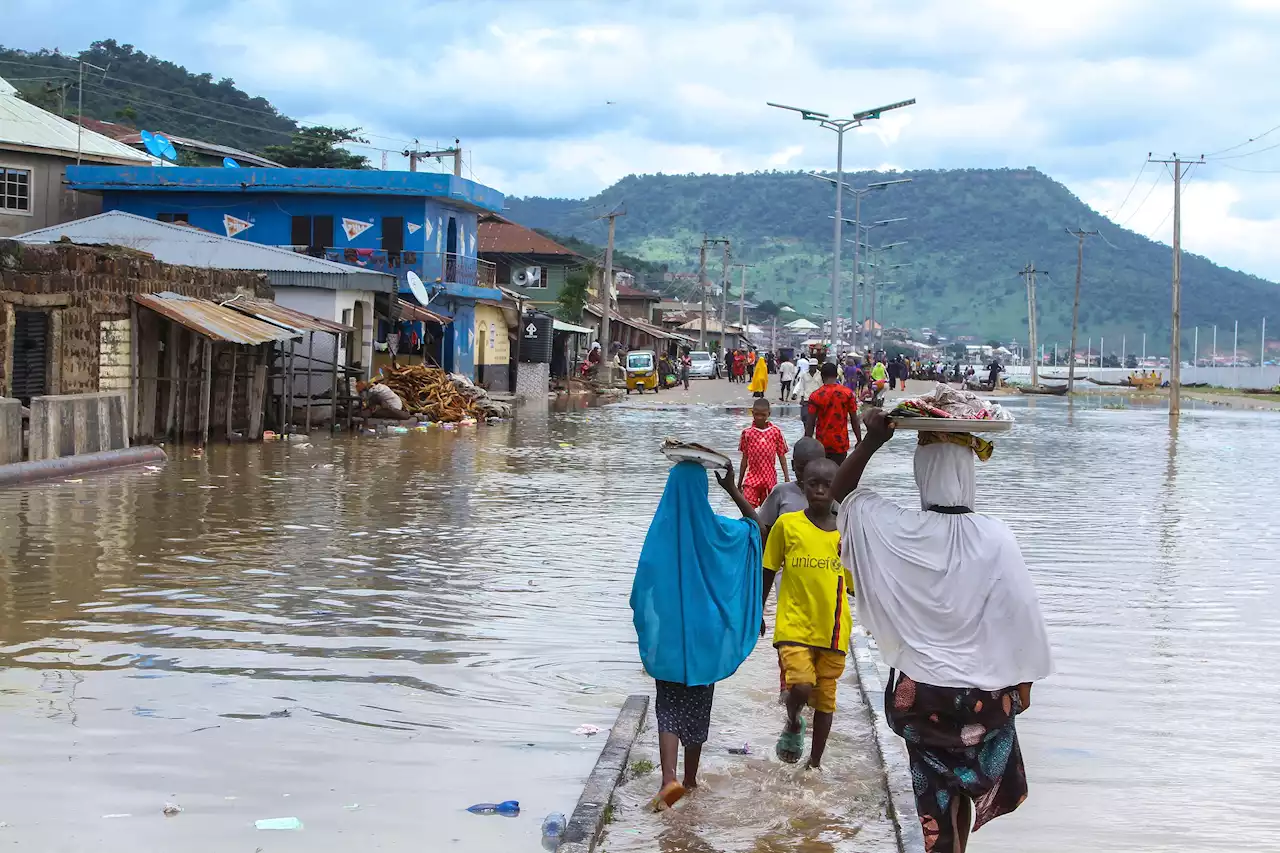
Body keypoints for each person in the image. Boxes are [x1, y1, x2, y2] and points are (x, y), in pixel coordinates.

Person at [832, 411, 1053, 853]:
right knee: (964, 788)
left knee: (935, 796)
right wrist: (1024, 680)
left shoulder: (897, 529)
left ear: (922, 473)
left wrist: (872, 441)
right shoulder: (996, 536)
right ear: (969, 473)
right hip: (983, 697)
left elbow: (843, 496)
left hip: (921, 694)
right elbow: (1021, 610)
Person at [631, 460, 763, 810]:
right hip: (707, 637)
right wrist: (733, 489)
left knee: (668, 709)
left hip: (671, 638)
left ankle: (668, 779)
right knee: (698, 707)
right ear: (703, 492)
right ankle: (690, 780)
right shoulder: (717, 531)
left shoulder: (661, 531)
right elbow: (756, 528)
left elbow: (643, 585)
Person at [761, 457, 851, 769]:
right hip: (794, 625)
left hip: (833, 629)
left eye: (828, 485)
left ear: (837, 489)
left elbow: (856, 583)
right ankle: (794, 720)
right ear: (803, 485)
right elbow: (769, 569)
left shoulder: (845, 533)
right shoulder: (788, 525)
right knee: (800, 685)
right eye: (814, 484)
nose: (821, 490)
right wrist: (757, 610)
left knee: (826, 699)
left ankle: (814, 764)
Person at [757, 437, 829, 702]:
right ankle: (788, 696)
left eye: (812, 469)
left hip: (822, 579)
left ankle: (810, 696)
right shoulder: (782, 493)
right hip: (787, 574)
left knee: (819, 640)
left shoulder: (833, 495)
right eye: (799, 468)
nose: (806, 475)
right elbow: (763, 529)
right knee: (791, 632)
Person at [805, 362, 862, 463]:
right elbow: (854, 419)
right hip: (841, 443)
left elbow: (810, 423)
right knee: (838, 475)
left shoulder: (815, 395)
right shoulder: (847, 393)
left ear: (822, 376)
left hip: (821, 444)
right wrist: (859, 440)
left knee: (823, 475)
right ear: (836, 375)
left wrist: (807, 444)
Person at [738, 398, 790, 508]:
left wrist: (787, 478)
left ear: (768, 414)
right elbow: (744, 460)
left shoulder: (775, 432)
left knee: (768, 511)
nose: (759, 418)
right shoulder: (747, 433)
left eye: (763, 415)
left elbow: (782, 456)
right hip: (752, 479)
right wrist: (739, 483)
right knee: (747, 508)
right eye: (756, 414)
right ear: (752, 413)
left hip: (769, 479)